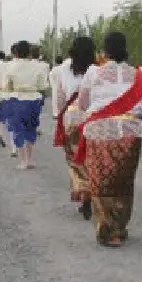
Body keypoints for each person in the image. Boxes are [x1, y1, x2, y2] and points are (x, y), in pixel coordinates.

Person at [75, 32, 142, 246]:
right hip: (130, 132)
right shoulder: (138, 75)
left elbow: (82, 104)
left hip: (100, 131)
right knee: (124, 181)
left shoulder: (94, 73)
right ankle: (119, 226)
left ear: (105, 51)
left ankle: (107, 229)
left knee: (101, 180)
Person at [54, 36, 96, 219]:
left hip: (72, 118)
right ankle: (92, 194)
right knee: (91, 157)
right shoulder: (97, 69)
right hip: (93, 117)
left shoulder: (64, 69)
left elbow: (60, 96)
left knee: (75, 158)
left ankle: (82, 190)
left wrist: (59, 114)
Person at [2, 41, 51, 170]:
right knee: (31, 128)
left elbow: (6, 85)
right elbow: (43, 86)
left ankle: (23, 160)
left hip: (17, 98)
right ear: (29, 53)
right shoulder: (38, 67)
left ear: (16, 53)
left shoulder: (10, 66)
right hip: (33, 99)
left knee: (18, 129)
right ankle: (29, 159)